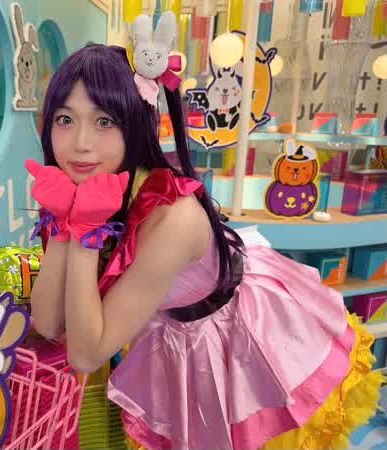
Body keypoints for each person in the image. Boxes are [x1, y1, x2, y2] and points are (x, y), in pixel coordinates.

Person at [26, 43, 384, 450]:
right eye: (65, 119)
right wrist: (64, 221)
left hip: (242, 337)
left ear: (136, 124)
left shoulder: (172, 218)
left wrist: (85, 230)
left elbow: (86, 355)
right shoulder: (98, 184)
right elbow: (49, 323)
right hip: (174, 330)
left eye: (104, 120)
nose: (80, 143)